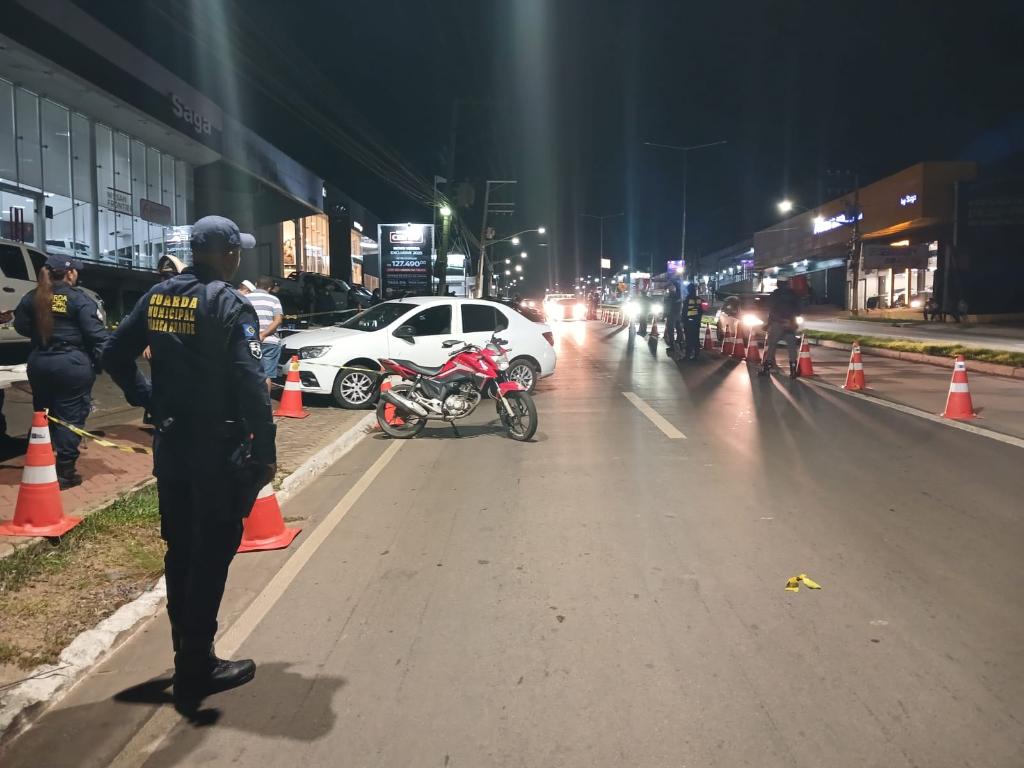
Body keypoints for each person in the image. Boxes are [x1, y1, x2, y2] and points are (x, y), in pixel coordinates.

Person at [103, 215, 276, 707]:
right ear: (228, 254)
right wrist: (266, 451)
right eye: (236, 251)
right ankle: (196, 666)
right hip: (216, 451)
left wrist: (148, 399)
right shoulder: (228, 303)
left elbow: (114, 353)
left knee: (180, 549)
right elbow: (251, 383)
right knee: (213, 551)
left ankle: (187, 653)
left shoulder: (157, 296)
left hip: (172, 445)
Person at [13, 256, 108, 489]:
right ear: (70, 273)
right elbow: (96, 335)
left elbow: (21, 325)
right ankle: (65, 473)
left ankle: (39, 462)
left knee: (43, 413)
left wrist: (42, 333)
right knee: (69, 418)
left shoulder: (33, 297)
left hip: (39, 361)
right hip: (70, 364)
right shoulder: (79, 299)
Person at [245, 276, 285, 392]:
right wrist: (263, 334)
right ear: (269, 288)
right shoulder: (274, 300)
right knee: (266, 375)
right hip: (270, 341)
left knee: (248, 373)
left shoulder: (245, 298)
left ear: (255, 284)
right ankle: (264, 401)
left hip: (249, 340)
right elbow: (278, 320)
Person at [759, 278, 801, 378]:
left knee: (772, 346)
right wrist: (790, 320)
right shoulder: (793, 294)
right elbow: (799, 309)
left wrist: (769, 324)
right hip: (790, 323)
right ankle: (793, 370)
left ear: (778, 284)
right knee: (791, 347)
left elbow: (771, 310)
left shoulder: (775, 295)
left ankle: (766, 368)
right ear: (787, 284)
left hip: (777, 323)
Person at [683, 283, 704, 360]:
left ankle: (687, 355)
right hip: (696, 322)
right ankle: (696, 355)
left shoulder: (688, 299)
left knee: (689, 339)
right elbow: (701, 311)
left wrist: (683, 321)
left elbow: (685, 311)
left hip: (689, 322)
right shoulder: (698, 299)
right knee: (696, 339)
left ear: (689, 290)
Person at [662, 283, 684, 354]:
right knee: (679, 329)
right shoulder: (679, 296)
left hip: (671, 315)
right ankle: (680, 342)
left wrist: (664, 316)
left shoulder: (669, 297)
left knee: (670, 331)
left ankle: (672, 346)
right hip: (678, 315)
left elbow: (667, 307)